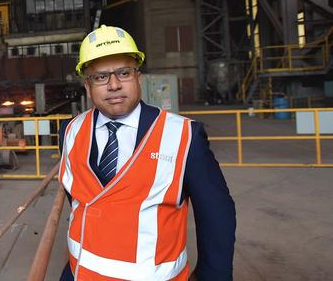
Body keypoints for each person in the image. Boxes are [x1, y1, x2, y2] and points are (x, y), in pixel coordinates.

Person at [58, 25, 235, 280]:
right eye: (101, 77)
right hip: (77, 274)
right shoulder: (70, 131)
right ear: (87, 85)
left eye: (123, 72)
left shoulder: (184, 136)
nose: (114, 85)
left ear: (137, 76)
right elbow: (76, 197)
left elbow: (217, 215)